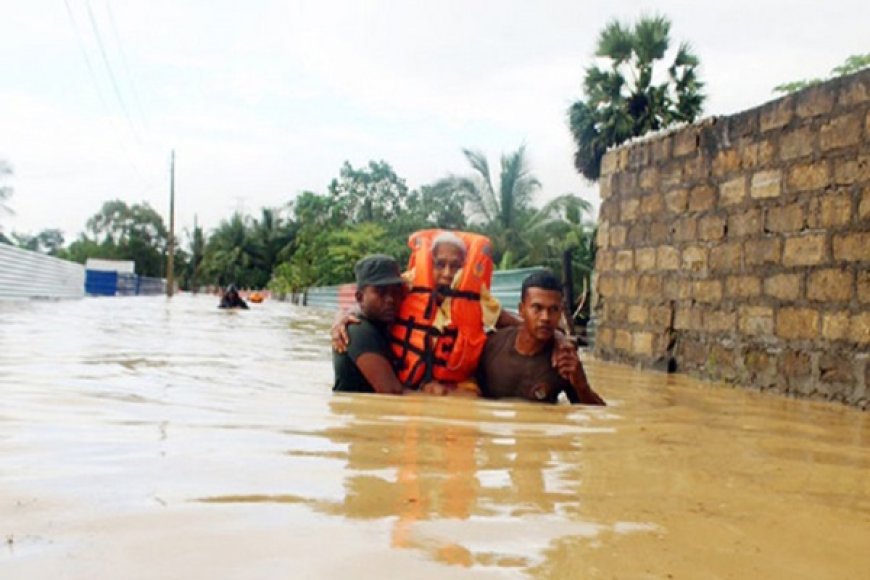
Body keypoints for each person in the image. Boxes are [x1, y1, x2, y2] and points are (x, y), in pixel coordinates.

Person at [477, 270, 605, 405]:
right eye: (537, 308)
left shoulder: (563, 361)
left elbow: (595, 415)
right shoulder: (491, 346)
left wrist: (582, 385)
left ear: (560, 313)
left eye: (553, 309)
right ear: (521, 310)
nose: (545, 318)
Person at [333, 254, 446, 395]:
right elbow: (392, 392)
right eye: (381, 292)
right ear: (360, 297)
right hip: (359, 415)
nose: (390, 299)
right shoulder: (358, 330)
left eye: (395, 291)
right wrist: (450, 399)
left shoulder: (387, 325)